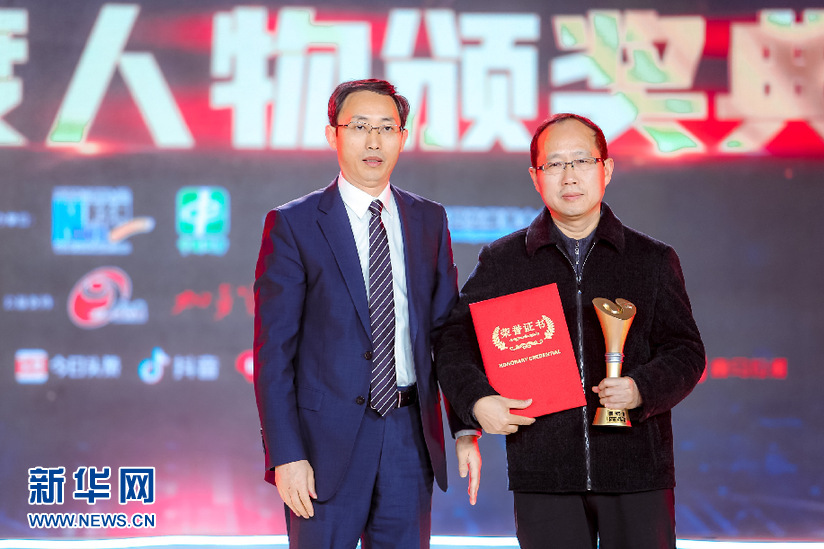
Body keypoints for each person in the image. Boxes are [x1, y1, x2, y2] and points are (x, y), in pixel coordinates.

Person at [435, 113, 705, 549]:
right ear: (535, 177)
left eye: (581, 160)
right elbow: (453, 340)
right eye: (554, 164)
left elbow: (686, 351)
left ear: (606, 169)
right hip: (544, 475)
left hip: (637, 472)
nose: (569, 176)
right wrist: (476, 402)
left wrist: (641, 389)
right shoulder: (504, 261)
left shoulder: (651, 259)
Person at [253, 78, 480, 549]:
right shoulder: (294, 223)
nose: (374, 141)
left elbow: (448, 333)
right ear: (332, 135)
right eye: (359, 127)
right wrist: (286, 455)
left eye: (386, 127)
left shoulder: (429, 220)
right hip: (322, 444)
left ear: (403, 136)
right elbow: (274, 352)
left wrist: (464, 426)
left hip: (408, 437)